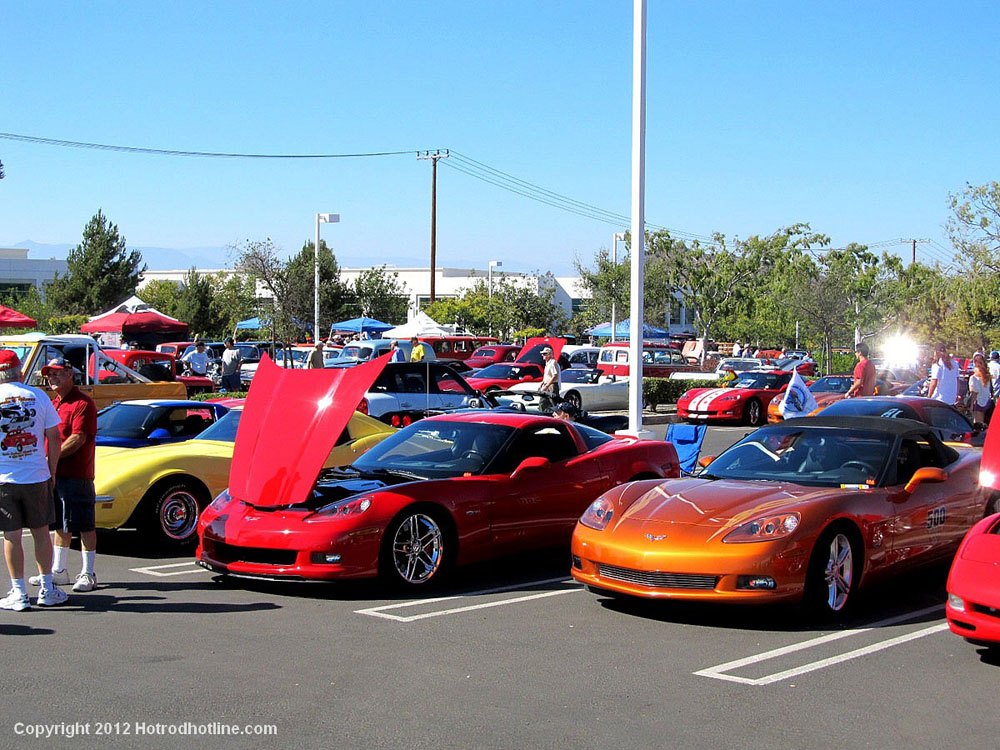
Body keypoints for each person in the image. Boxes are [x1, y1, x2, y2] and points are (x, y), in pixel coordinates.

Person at [0, 350, 66, 611]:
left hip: (4, 477)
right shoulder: (38, 396)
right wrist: (52, 471)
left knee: (12, 536)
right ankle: (47, 588)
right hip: (37, 475)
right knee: (41, 533)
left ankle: (18, 592)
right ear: (21, 372)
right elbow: (55, 437)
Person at [29, 357, 99, 593]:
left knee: (84, 524)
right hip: (54, 474)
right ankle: (59, 570)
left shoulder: (83, 403)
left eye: (58, 373)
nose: (52, 378)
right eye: (50, 374)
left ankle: (88, 573)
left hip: (77, 474)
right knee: (61, 523)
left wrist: (52, 459)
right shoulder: (54, 403)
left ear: (71, 374)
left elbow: (78, 438)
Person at [968, 353, 992, 424]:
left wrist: (971, 405)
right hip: (987, 401)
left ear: (975, 363)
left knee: (978, 424)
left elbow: (974, 392)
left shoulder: (974, 377)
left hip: (978, 403)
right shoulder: (987, 375)